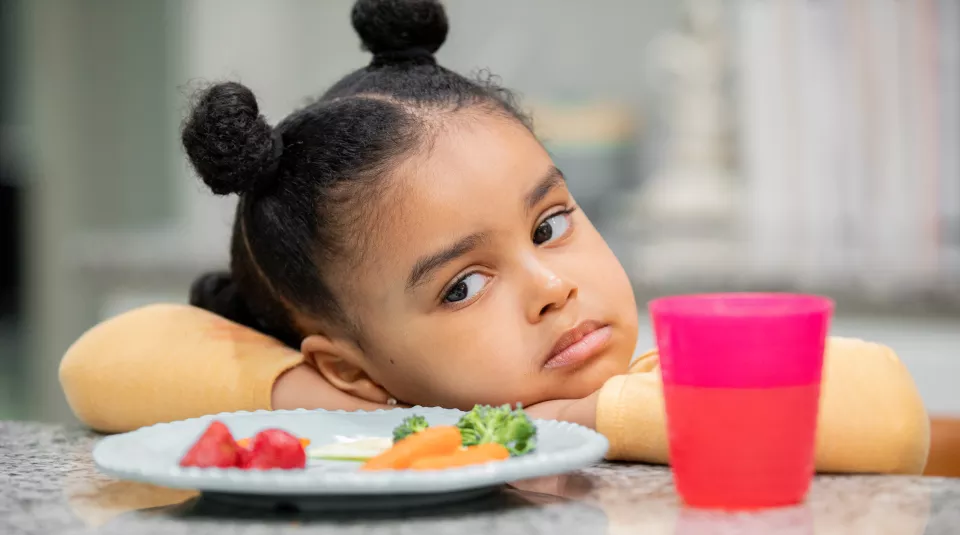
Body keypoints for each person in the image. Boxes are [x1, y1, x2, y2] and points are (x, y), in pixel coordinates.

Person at [59, 0, 929, 474]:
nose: (551, 285)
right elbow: (98, 362)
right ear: (351, 366)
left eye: (550, 224)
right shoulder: (392, 415)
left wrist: (588, 417)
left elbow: (888, 414)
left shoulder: (650, 383)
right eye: (462, 285)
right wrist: (356, 409)